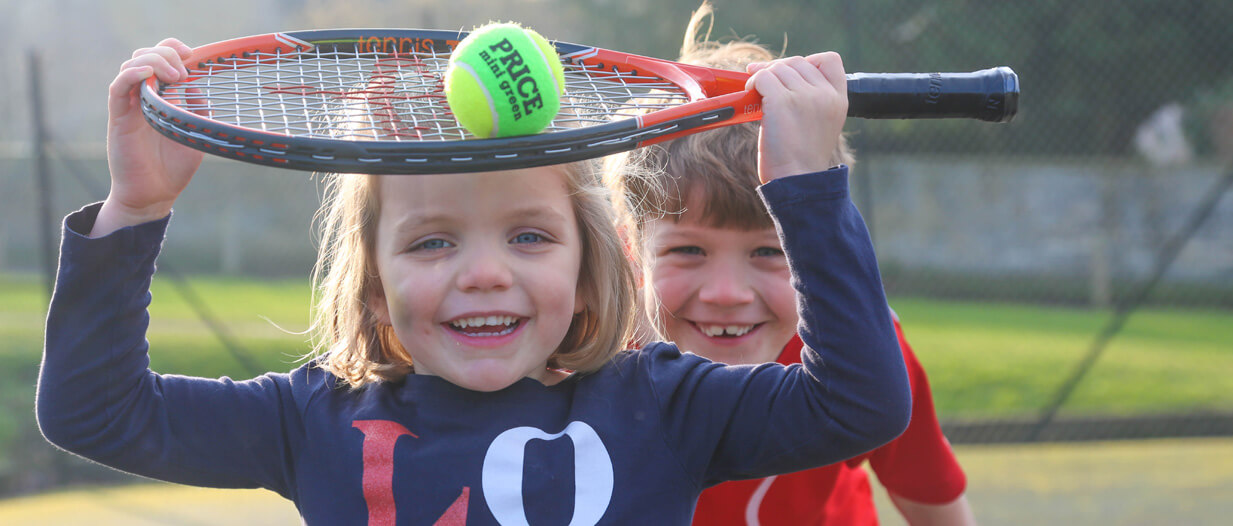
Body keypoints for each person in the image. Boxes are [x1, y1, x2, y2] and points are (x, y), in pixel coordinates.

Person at [36, 36, 910, 525]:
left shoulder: (665, 404)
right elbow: (94, 413)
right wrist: (135, 205)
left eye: (530, 236)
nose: (484, 274)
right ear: (373, 287)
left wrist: (805, 190)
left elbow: (863, 405)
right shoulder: (311, 419)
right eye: (430, 244)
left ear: (590, 265)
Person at [604, 4, 976, 524]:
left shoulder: (864, 354)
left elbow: (936, 509)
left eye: (768, 251)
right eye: (689, 250)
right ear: (630, 250)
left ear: (817, 248)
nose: (727, 292)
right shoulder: (588, 358)